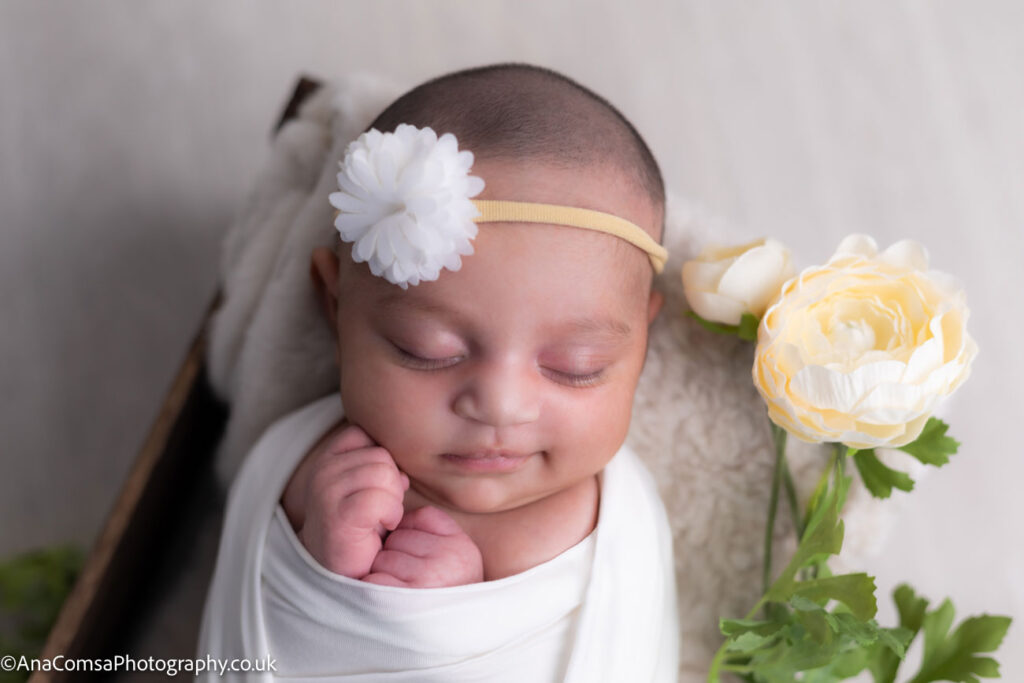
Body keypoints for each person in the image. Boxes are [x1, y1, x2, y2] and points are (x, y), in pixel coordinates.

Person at [197, 62, 679, 682]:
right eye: (429, 350)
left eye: (575, 368)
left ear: (643, 337)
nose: (500, 405)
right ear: (335, 305)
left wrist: (438, 627)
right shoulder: (310, 470)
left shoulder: (619, 523)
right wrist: (329, 568)